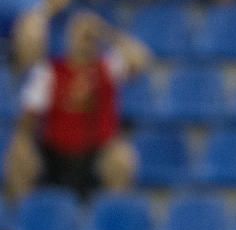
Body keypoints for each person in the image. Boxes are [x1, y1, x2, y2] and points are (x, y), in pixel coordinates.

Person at [4, 11, 148, 200]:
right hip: (55, 151)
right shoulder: (49, 72)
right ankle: (21, 217)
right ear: (69, 38)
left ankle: (110, 213)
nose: (85, 41)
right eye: (80, 35)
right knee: (18, 155)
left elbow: (141, 59)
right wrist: (23, 143)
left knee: (122, 159)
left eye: (88, 37)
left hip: (97, 150)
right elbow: (29, 116)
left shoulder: (109, 67)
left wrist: (108, 33)